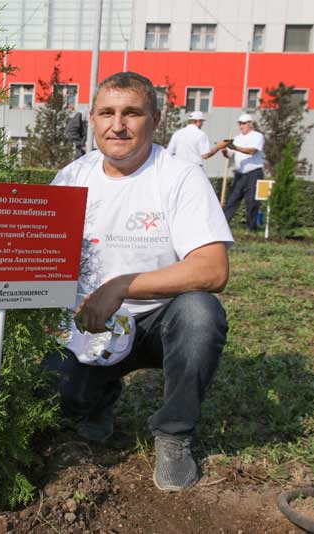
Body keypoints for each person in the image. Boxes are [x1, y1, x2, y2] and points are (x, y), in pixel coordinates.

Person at [46, 71, 234, 492]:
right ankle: (96, 401)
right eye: (107, 113)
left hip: (157, 322)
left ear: (156, 119)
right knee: (59, 399)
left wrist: (122, 286)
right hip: (87, 321)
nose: (119, 125)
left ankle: (175, 434)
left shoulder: (178, 177)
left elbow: (212, 269)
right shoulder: (71, 179)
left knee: (201, 313)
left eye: (132, 113)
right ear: (92, 119)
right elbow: (47, 261)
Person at [222, 113, 266, 231]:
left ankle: (251, 228)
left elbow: (252, 151)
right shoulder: (237, 138)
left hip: (254, 173)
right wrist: (224, 150)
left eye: (244, 123)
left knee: (252, 202)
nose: (241, 126)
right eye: (239, 123)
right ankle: (222, 225)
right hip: (240, 174)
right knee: (232, 200)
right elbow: (229, 155)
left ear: (250, 124)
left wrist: (235, 148)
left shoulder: (257, 136)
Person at [166, 110, 230, 168]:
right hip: (194, 169)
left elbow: (169, 153)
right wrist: (219, 146)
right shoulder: (201, 134)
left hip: (178, 168)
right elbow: (205, 155)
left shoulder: (177, 133)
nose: (202, 124)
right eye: (202, 122)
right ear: (198, 121)